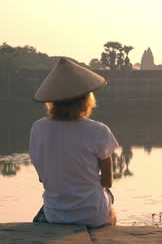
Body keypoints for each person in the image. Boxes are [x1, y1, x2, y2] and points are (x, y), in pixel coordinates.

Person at [29, 58, 118, 227]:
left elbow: (43, 178)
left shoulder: (38, 128)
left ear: (52, 101)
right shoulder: (99, 130)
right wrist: (85, 179)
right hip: (92, 215)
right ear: (86, 100)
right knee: (109, 198)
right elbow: (107, 182)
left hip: (55, 214)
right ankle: (107, 225)